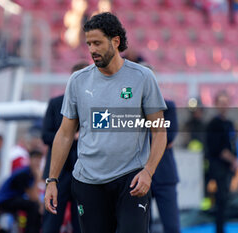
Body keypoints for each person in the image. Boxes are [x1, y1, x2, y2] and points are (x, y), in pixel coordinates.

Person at [44, 12, 167, 233]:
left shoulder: (143, 78)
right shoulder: (78, 81)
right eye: (89, 43)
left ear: (115, 41)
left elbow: (159, 131)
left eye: (98, 43)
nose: (92, 49)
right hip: (88, 182)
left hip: (131, 180)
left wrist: (148, 171)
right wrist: (51, 180)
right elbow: (64, 134)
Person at [41, 62, 88, 233]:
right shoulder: (56, 103)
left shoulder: (93, 105)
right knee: (51, 221)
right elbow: (45, 136)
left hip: (83, 173)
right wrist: (68, 137)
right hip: (58, 174)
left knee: (82, 222)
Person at [205, 91, 238, 233]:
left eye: (226, 102)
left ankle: (222, 227)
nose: (224, 106)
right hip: (218, 167)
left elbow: (233, 144)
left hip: (228, 168)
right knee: (220, 200)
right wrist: (233, 160)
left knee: (225, 201)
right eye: (221, 103)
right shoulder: (214, 124)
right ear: (216, 105)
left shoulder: (229, 123)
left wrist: (234, 161)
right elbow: (218, 148)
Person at [151, 100, 180, 233]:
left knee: (172, 226)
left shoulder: (168, 106)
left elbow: (169, 136)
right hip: (138, 175)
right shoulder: (134, 106)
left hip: (164, 176)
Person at [0, 150, 43, 233]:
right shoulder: (24, 173)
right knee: (33, 206)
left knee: (38, 207)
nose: (38, 163)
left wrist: (41, 206)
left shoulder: (30, 173)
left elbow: (35, 195)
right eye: (36, 159)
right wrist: (37, 178)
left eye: (39, 160)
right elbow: (33, 196)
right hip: (5, 200)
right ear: (30, 160)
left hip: (14, 199)